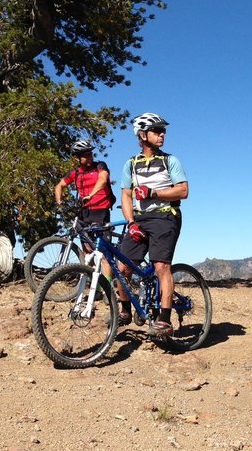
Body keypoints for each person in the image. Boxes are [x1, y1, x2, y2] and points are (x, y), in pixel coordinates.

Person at [116, 113, 189, 335]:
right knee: (123, 268)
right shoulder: (130, 164)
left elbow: (183, 191)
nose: (162, 134)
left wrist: (154, 192)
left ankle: (165, 320)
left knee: (160, 267)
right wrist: (131, 222)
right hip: (140, 219)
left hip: (165, 216)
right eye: (157, 131)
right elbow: (126, 196)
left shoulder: (170, 161)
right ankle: (125, 310)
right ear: (142, 135)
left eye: (163, 131)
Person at [54, 140, 116, 277]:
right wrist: (59, 203)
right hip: (84, 213)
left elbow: (103, 179)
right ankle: (95, 285)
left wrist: (91, 195)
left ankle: (107, 288)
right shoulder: (75, 173)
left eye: (90, 154)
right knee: (87, 251)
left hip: (100, 211)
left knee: (103, 253)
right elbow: (59, 186)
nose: (89, 157)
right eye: (85, 155)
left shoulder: (100, 166)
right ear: (77, 158)